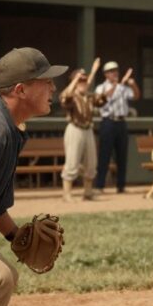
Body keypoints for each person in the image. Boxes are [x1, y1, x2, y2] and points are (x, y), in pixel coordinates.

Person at [0, 47, 67, 306]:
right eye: (45, 81)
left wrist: (16, 236)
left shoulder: (6, 126)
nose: (53, 89)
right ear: (20, 90)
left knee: (4, 275)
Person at [59, 58, 105, 202]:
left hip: (88, 130)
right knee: (72, 162)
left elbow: (101, 100)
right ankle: (67, 194)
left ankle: (88, 192)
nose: (83, 83)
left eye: (84, 80)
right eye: (80, 80)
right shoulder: (71, 97)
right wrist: (76, 79)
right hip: (75, 129)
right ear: (74, 82)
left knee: (91, 163)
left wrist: (94, 70)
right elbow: (64, 97)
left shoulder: (89, 96)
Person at [94, 61, 140, 194]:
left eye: (116, 70)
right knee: (104, 155)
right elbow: (101, 101)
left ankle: (121, 185)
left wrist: (133, 84)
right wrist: (116, 85)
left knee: (122, 155)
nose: (114, 73)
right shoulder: (101, 87)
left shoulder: (123, 87)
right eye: (111, 71)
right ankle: (100, 186)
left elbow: (136, 96)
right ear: (105, 74)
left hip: (121, 122)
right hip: (108, 121)